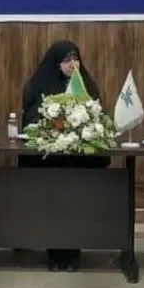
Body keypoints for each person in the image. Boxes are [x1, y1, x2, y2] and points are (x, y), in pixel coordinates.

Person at [22, 40, 105, 272]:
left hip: (79, 162)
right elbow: (31, 122)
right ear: (55, 63)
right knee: (53, 201)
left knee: (75, 201)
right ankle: (54, 253)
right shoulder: (38, 85)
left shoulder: (87, 85)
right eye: (67, 60)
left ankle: (73, 253)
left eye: (75, 58)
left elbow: (97, 118)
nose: (72, 64)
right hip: (48, 161)